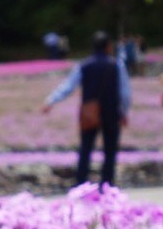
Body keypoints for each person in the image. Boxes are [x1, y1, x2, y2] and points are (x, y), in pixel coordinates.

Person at [41, 31, 133, 188]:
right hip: (111, 111)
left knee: (86, 149)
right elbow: (124, 93)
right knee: (110, 151)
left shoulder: (84, 65)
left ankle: (81, 183)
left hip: (89, 112)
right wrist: (124, 112)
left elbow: (68, 86)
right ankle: (107, 185)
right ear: (108, 47)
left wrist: (51, 100)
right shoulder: (117, 65)